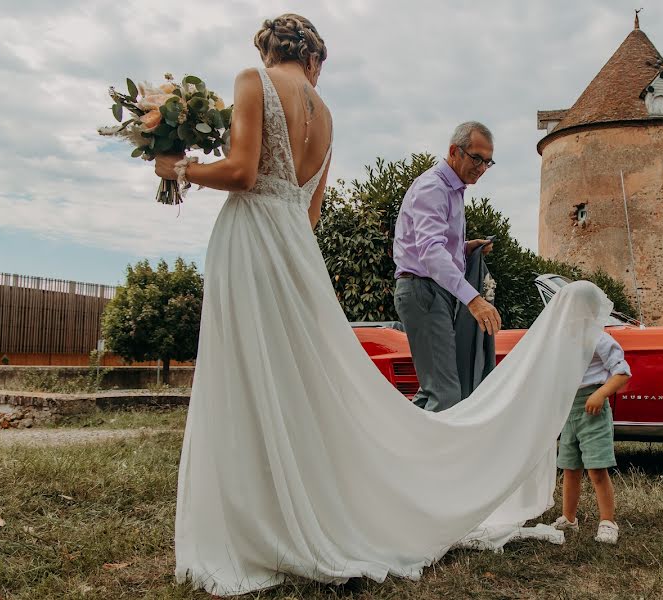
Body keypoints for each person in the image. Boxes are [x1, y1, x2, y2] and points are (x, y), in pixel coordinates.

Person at [155, 13, 612, 596]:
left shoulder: (254, 81)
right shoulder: (327, 117)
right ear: (314, 57)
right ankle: (316, 501)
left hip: (250, 242)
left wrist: (179, 167)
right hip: (297, 251)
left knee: (246, 370)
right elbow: (310, 213)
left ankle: (263, 513)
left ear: (269, 48)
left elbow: (243, 171)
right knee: (301, 380)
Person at [392, 122, 501, 412]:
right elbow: (429, 253)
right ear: (455, 151)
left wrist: (466, 248)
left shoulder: (453, 189)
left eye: (487, 161)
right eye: (476, 158)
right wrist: (474, 299)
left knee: (434, 392)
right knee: (446, 393)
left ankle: (400, 452)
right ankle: (423, 458)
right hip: (422, 290)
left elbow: (432, 246)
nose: (481, 167)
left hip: (429, 290)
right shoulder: (434, 187)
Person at [550, 331, 631, 544]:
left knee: (597, 469)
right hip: (570, 410)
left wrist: (601, 394)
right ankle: (569, 518)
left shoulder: (599, 338)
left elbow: (622, 372)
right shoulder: (563, 338)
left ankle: (608, 522)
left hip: (593, 409)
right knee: (570, 467)